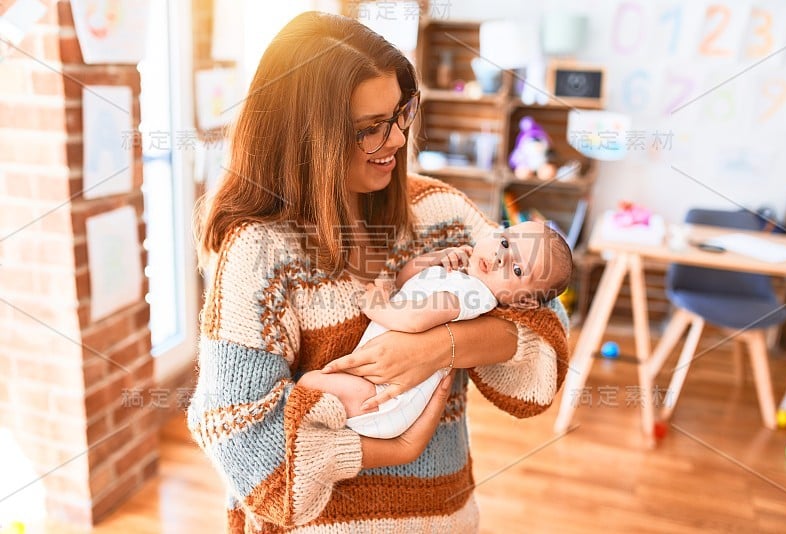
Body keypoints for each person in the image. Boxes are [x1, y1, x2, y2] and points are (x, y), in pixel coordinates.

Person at [188, 11, 570, 533]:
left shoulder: (440, 215)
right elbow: (239, 441)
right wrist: (388, 449)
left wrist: (439, 347)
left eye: (399, 114)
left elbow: (546, 337)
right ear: (306, 139)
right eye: (370, 128)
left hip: (444, 519)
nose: (395, 140)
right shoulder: (260, 252)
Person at [298, 221, 572, 439]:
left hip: (382, 401)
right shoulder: (463, 277)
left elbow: (414, 320)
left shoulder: (473, 295)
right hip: (377, 389)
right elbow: (407, 280)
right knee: (315, 393)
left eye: (516, 269)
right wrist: (433, 259)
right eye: (504, 241)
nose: (500, 256)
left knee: (308, 384)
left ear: (524, 301)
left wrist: (376, 306)